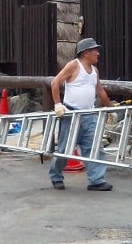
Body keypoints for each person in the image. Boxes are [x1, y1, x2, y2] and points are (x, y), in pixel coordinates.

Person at [49, 37, 114, 191]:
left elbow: (100, 91)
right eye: (95, 51)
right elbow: (55, 83)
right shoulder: (73, 65)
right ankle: (56, 175)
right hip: (72, 114)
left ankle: (96, 180)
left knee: (95, 147)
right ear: (86, 53)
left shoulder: (95, 71)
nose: (98, 53)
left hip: (89, 114)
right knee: (65, 149)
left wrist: (110, 107)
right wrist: (58, 104)